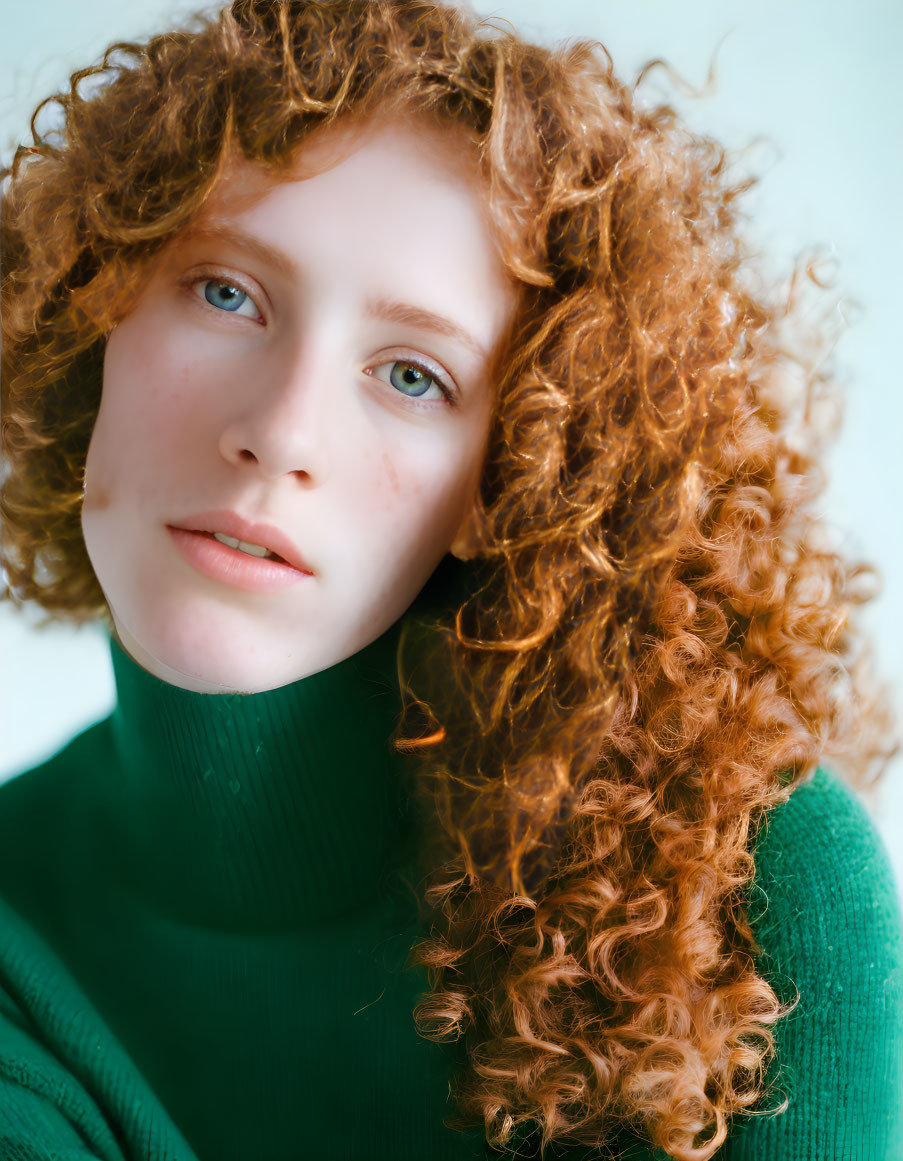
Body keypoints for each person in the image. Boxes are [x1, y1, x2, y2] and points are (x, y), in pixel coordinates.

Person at [1, 1, 900, 1159]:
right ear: (94, 303)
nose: (279, 434)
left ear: (506, 478)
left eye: (413, 375)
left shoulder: (742, 896)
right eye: (227, 293)